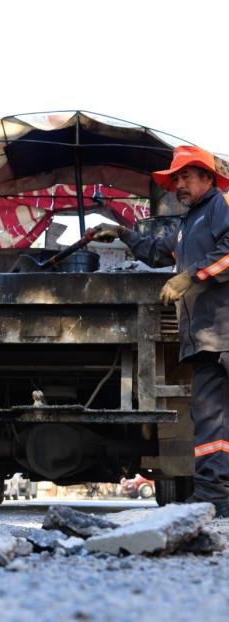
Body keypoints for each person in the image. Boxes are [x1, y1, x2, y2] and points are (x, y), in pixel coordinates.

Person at [93, 144, 229, 518]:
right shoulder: (188, 224)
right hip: (204, 337)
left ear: (207, 177)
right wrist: (122, 232)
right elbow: (157, 251)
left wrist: (191, 275)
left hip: (223, 332)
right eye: (176, 179)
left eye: (186, 176)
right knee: (210, 420)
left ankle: (214, 494)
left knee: (214, 418)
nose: (179, 185)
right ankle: (214, 495)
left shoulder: (222, 206)